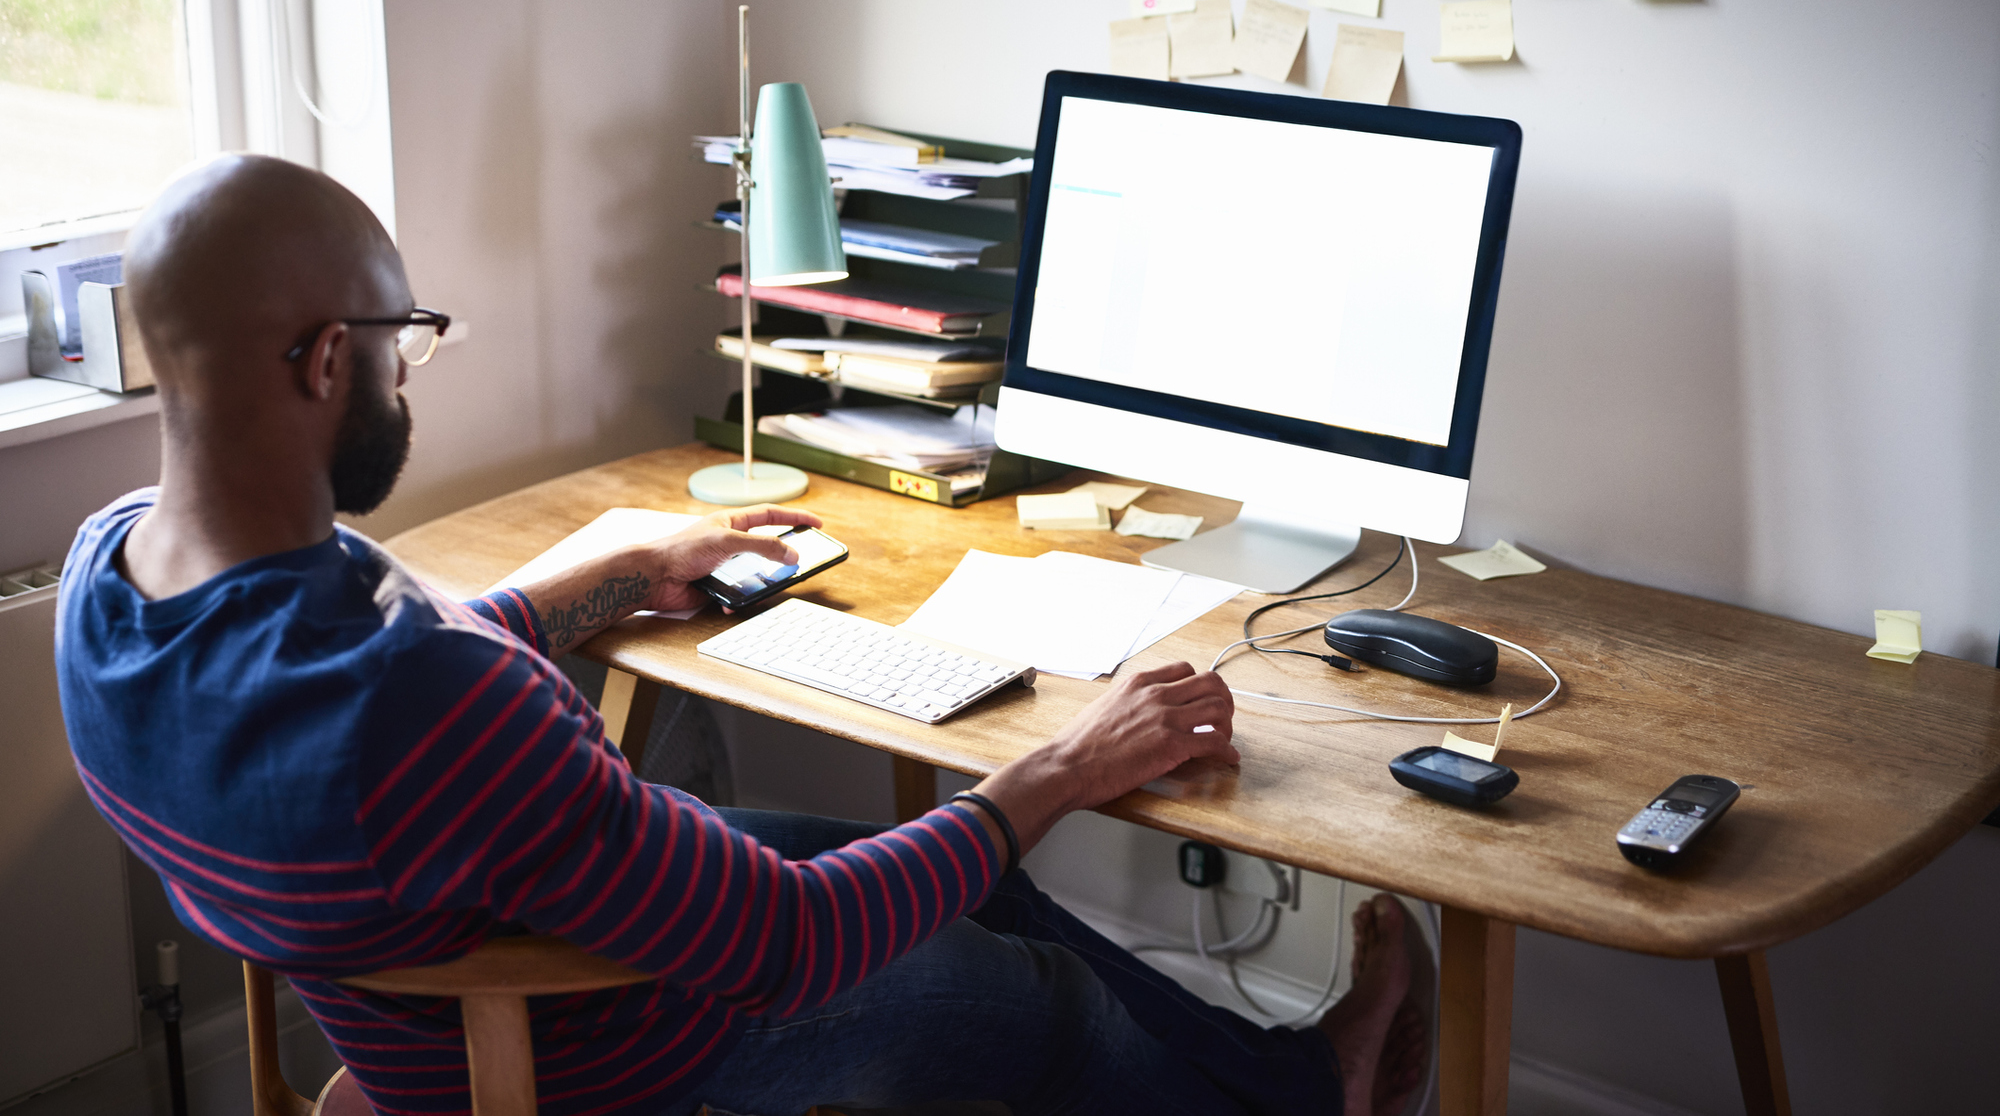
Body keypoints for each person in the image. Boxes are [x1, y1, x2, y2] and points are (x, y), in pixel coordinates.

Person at [56, 154, 1424, 1116]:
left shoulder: (108, 580)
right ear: (320, 362)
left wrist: (610, 575)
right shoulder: (426, 705)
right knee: (1043, 996)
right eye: (403, 333)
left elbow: (406, 685)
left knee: (986, 887)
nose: (410, 365)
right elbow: (790, 944)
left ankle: (1303, 1085)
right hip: (592, 1038)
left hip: (433, 981)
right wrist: (1064, 764)